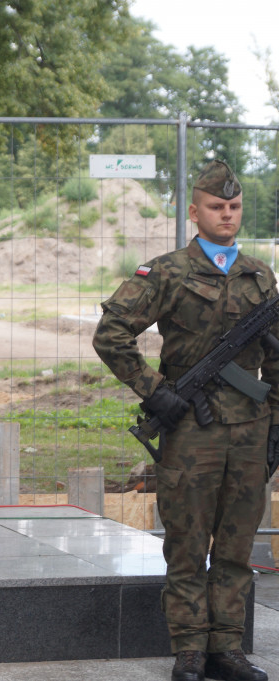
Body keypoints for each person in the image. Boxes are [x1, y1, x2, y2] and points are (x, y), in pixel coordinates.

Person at [93, 159, 275, 681]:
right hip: (192, 428)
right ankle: (190, 650)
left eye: (235, 207)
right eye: (217, 207)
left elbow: (278, 358)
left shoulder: (260, 276)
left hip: (250, 429)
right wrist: (156, 393)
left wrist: (277, 424)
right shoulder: (168, 271)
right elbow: (111, 334)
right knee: (188, 544)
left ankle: (228, 649)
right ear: (194, 212)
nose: (227, 215)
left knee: (238, 545)